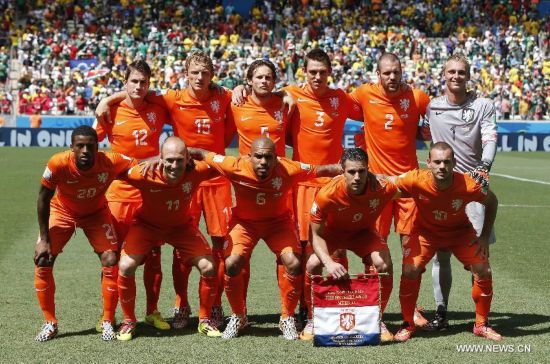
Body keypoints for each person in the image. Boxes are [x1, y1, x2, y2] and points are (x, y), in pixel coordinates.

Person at [96, 52, 235, 329]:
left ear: (212, 74)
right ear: (185, 72)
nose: (199, 77)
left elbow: (247, 93)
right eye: (194, 72)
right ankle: (176, 305)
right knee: (146, 252)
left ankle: (213, 305)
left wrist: (242, 88)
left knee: (220, 246)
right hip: (166, 184)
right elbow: (134, 94)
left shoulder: (225, 96)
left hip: (210, 180)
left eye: (204, 73)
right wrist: (106, 99)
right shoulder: (170, 98)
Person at [191, 137, 342, 340]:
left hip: (278, 224)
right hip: (244, 225)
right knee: (232, 263)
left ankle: (287, 317)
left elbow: (322, 170)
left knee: (294, 262)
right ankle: (238, 316)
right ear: (249, 156)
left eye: (269, 157)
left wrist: (347, 168)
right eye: (259, 157)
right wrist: (161, 158)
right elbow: (201, 154)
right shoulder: (233, 165)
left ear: (276, 158)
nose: (264, 162)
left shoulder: (289, 168)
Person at [350, 52, 431, 332]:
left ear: (402, 71)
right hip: (377, 188)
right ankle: (372, 308)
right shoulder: (362, 94)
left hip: (408, 188)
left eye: (396, 72)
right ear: (378, 74)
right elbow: (328, 103)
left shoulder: (418, 98)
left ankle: (412, 309)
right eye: (386, 73)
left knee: (412, 251)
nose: (392, 77)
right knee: (373, 251)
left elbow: (442, 117)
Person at [33, 125, 136, 342]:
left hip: (96, 214)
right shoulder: (57, 163)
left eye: (90, 146)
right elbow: (43, 198)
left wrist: (162, 161)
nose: (85, 151)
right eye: (80, 146)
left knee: (111, 259)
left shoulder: (109, 161)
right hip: (62, 211)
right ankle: (50, 322)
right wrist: (43, 238)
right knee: (43, 259)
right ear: (72, 147)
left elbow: (139, 165)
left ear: (98, 147)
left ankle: (108, 320)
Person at [116, 137, 223, 341]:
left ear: (187, 159)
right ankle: (129, 321)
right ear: (161, 159)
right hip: (146, 227)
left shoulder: (197, 171)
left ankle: (204, 320)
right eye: (169, 160)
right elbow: (116, 170)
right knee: (126, 266)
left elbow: (224, 163)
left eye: (180, 160)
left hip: (180, 228)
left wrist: (197, 151)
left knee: (209, 267)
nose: (175, 166)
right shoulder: (145, 173)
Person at [393, 142, 500, 342]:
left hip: (460, 233)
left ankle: (481, 324)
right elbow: (389, 185)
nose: (442, 166)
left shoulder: (468, 184)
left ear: (454, 163)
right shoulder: (415, 179)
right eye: (437, 162)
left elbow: (492, 202)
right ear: (429, 163)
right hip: (425, 233)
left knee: (483, 269)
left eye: (447, 162)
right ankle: (408, 323)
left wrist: (484, 236)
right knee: (410, 270)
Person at [93, 60, 172, 332]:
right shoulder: (112, 111)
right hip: (118, 195)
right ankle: (107, 316)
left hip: (149, 193)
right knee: (112, 256)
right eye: (134, 81)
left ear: (149, 85)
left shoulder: (159, 107)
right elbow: (90, 143)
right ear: (125, 82)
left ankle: (152, 311)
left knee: (154, 256)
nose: (138, 86)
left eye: (143, 82)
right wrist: (107, 100)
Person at [425, 54, 498, 331]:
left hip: (471, 188)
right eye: (451, 72)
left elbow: (490, 138)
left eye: (461, 72)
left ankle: (481, 318)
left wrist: (483, 168)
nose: (456, 76)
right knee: (440, 254)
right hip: (441, 189)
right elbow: (418, 133)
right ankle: (441, 313)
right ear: (444, 75)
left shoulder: (483, 105)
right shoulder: (432, 107)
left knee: (479, 256)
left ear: (468, 76)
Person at [303, 148, 396, 342]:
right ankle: (313, 319)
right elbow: (316, 234)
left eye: (361, 171)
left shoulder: (382, 186)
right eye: (351, 172)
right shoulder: (326, 194)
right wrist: (329, 263)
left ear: (368, 170)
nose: (357, 177)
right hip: (332, 235)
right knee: (312, 264)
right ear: (342, 171)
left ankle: (377, 318)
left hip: (363, 233)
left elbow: (409, 185)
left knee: (384, 263)